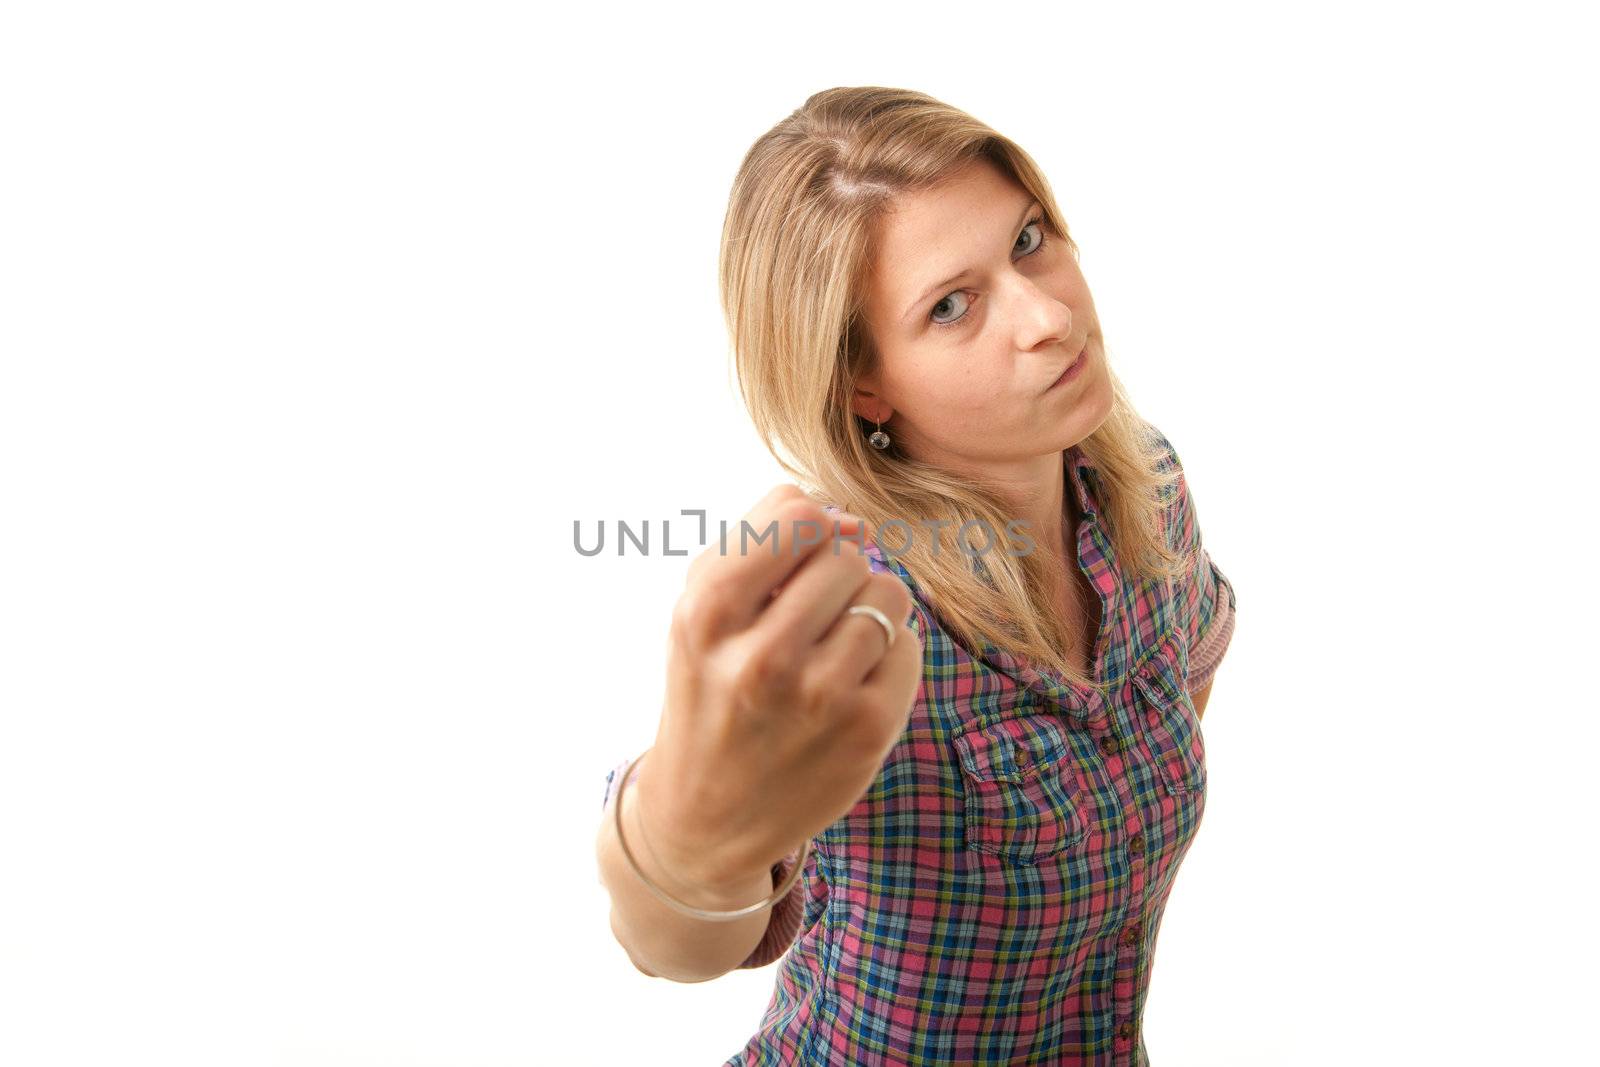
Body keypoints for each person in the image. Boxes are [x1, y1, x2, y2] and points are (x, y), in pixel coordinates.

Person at [594, 86, 1237, 1066]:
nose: (1048, 314)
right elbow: (674, 936)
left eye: (1027, 241)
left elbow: (1174, 696)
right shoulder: (854, 608)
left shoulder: (1142, 484)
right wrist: (681, 838)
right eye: (950, 306)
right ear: (863, 385)